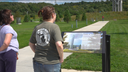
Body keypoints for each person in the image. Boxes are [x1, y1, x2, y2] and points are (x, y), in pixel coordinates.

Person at [29, 6, 63, 72]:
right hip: (52, 63)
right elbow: (59, 44)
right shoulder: (54, 27)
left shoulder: (37, 27)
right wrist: (61, 58)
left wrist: (38, 53)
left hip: (38, 62)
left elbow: (31, 43)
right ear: (53, 15)